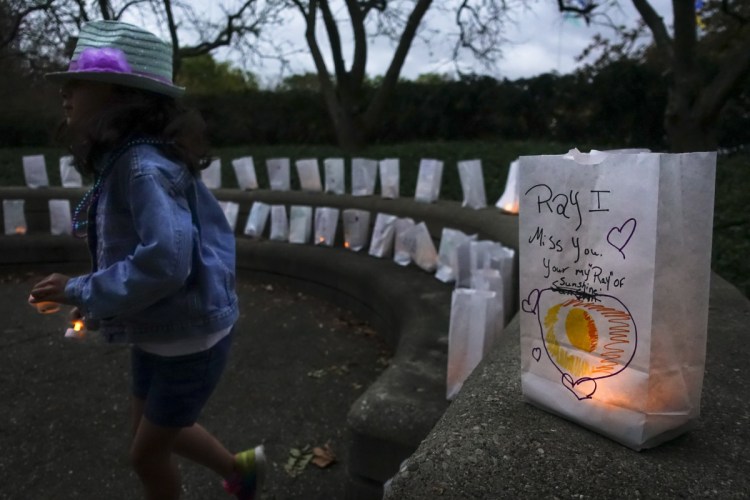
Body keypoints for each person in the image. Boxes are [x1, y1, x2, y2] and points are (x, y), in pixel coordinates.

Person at [28, 20, 264, 500]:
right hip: (159, 328)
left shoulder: (141, 167)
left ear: (119, 96)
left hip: (189, 337)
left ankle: (242, 474)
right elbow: (131, 252)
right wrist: (100, 303)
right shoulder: (128, 159)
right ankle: (243, 471)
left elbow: (164, 262)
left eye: (77, 83)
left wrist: (81, 289)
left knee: (146, 453)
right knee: (153, 434)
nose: (65, 93)